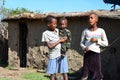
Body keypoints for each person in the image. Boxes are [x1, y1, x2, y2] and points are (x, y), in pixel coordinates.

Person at [80, 13, 108, 80]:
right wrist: (84, 47)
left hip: (95, 55)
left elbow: (106, 43)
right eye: (89, 18)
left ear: (96, 20)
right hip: (87, 54)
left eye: (91, 18)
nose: (89, 19)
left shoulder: (101, 31)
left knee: (97, 74)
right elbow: (81, 43)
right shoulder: (85, 31)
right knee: (85, 73)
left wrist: (97, 40)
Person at [41, 15, 68, 80]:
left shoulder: (58, 31)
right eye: (54, 24)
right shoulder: (45, 33)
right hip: (53, 56)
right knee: (52, 74)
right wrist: (59, 41)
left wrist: (65, 39)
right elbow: (50, 46)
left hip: (62, 55)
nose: (56, 25)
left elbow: (66, 39)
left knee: (64, 72)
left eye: (56, 24)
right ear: (48, 24)